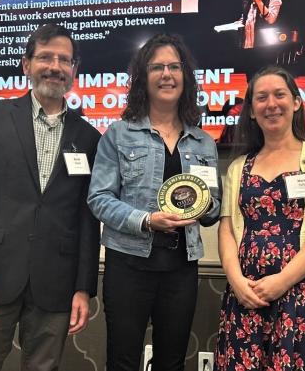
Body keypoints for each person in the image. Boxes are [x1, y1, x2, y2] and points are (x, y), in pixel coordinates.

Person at [0, 23, 101, 371]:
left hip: (56, 285)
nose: (55, 66)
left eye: (65, 60)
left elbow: (87, 219)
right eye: (45, 57)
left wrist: (83, 288)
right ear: (26, 64)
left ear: (74, 71)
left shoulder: (89, 136)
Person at [87, 33, 222, 371]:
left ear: (185, 77)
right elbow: (99, 199)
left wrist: (204, 207)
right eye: (157, 67)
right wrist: (147, 220)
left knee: (172, 362)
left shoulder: (204, 141)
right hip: (128, 267)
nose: (167, 74)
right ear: (142, 79)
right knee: (122, 361)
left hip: (181, 269)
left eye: (174, 67)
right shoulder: (118, 134)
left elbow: (214, 207)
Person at [214, 66, 305, 370]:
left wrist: (281, 281)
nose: (270, 104)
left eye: (279, 95)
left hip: (301, 290)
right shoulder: (238, 167)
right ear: (251, 111)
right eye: (261, 98)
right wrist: (236, 282)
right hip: (247, 292)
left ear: (297, 102)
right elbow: (226, 230)